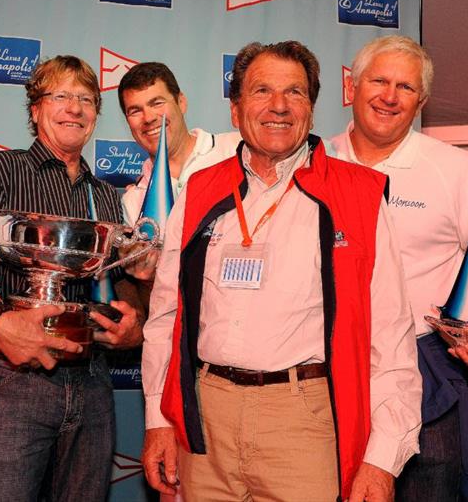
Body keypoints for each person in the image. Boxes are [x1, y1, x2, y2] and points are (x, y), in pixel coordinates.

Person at [140, 41, 423, 502]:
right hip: (204, 420)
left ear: (312, 110)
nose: (278, 106)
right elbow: (165, 316)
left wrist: (382, 458)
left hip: (305, 423)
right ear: (235, 110)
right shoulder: (199, 191)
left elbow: (390, 338)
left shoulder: (359, 196)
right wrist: (158, 418)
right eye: (261, 91)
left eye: (295, 92)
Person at [0, 55, 141, 502]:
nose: (74, 108)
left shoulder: (104, 196)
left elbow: (114, 277)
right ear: (35, 110)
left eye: (85, 99)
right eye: (60, 96)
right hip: (12, 380)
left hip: (91, 380)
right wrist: (1, 322)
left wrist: (131, 319)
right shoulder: (1, 169)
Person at [327, 35, 468, 502]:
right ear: (350, 86)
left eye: (406, 87)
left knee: (428, 490)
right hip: (328, 360)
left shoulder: (456, 169)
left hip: (423, 363)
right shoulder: (316, 160)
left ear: (422, 102)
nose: (389, 96)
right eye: (378, 80)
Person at [115, 62, 240, 311]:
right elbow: (154, 302)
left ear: (181, 102)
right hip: (182, 334)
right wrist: (147, 279)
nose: (149, 118)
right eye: (135, 110)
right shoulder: (132, 202)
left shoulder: (238, 149)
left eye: (157, 103)